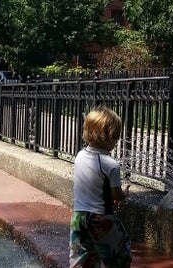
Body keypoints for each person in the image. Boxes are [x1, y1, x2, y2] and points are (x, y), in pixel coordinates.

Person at [69, 106, 131, 268]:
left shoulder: (80, 156)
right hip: (100, 219)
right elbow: (116, 195)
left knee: (82, 257)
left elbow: (93, 186)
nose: (116, 142)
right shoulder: (111, 165)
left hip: (78, 217)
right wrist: (124, 194)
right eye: (116, 138)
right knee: (121, 248)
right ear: (109, 137)